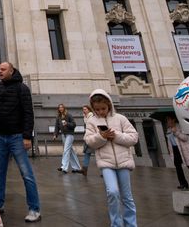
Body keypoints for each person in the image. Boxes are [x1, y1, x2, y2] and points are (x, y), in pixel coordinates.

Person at [0, 61, 41, 223]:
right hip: (1, 137)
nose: (0, 71)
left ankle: (34, 209)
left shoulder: (22, 89)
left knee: (27, 174)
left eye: (3, 69)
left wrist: (27, 136)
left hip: (17, 138)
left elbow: (28, 113)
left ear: (12, 71)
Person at [84, 89, 138, 227]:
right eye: (97, 109)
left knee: (127, 196)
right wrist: (101, 137)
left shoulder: (120, 118)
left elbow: (134, 137)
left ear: (109, 105)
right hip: (106, 163)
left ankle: (131, 224)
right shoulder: (91, 121)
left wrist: (117, 136)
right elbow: (89, 141)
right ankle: (116, 224)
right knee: (113, 192)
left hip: (124, 162)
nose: (101, 111)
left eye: (103, 108)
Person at [53, 104, 81, 174]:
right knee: (70, 151)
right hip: (63, 135)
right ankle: (76, 168)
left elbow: (74, 124)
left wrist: (67, 124)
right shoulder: (58, 117)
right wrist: (55, 135)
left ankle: (64, 167)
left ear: (64, 108)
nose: (60, 108)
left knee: (66, 150)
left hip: (70, 135)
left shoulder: (68, 115)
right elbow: (57, 127)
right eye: (59, 107)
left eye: (62, 107)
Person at [80, 105, 94, 177]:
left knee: (98, 154)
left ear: (89, 110)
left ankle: (103, 171)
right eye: (83, 109)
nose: (84, 110)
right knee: (87, 153)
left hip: (93, 137)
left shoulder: (92, 117)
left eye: (85, 109)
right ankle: (84, 169)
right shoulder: (85, 117)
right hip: (87, 137)